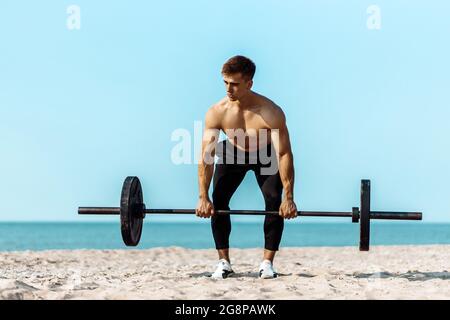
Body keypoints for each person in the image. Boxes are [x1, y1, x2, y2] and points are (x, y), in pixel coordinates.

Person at [195, 55, 297, 279]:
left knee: (273, 200)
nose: (228, 89)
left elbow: (283, 153)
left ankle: (267, 264)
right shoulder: (217, 112)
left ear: (249, 84)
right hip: (232, 153)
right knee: (218, 198)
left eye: (234, 84)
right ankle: (224, 262)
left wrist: (288, 198)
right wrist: (202, 197)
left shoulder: (270, 112)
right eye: (225, 82)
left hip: (265, 154)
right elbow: (207, 156)